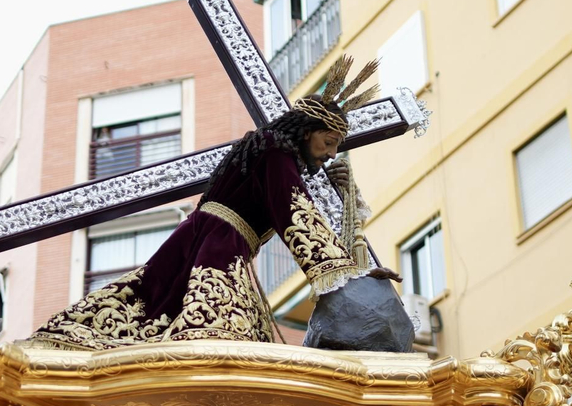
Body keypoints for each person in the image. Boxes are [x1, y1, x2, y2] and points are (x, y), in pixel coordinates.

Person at [30, 56, 398, 350]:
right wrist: (348, 273)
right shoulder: (274, 152)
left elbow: (298, 203)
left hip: (202, 239)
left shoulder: (269, 150)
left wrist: (346, 216)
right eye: (329, 141)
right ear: (306, 132)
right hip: (220, 247)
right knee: (214, 334)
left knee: (157, 308)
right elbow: (296, 214)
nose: (332, 153)